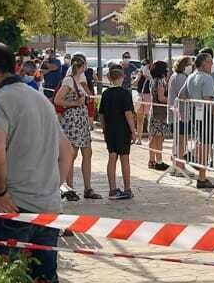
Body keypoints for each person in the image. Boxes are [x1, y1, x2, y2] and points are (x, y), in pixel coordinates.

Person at [0, 42, 70, 283]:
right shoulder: (41, 99)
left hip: (16, 208)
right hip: (49, 208)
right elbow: (67, 152)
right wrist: (52, 189)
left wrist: (0, 192)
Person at [55, 53, 98, 199]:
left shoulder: (79, 80)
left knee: (87, 153)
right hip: (72, 122)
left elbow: (88, 96)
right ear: (81, 67)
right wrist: (74, 103)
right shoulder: (68, 81)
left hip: (81, 121)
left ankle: (87, 188)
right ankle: (69, 188)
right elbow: (58, 100)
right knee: (71, 155)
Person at [97, 63, 139, 200]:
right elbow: (128, 114)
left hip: (110, 129)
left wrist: (104, 130)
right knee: (125, 159)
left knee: (112, 157)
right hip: (123, 130)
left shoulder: (105, 94)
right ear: (122, 77)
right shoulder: (125, 94)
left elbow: (101, 115)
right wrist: (133, 131)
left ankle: (112, 189)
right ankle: (127, 188)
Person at [182, 50, 214, 191]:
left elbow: (182, 95)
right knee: (206, 143)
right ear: (205, 63)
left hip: (195, 112)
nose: (212, 64)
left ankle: (201, 174)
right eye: (210, 61)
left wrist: (193, 103)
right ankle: (199, 171)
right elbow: (208, 100)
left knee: (202, 141)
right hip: (206, 113)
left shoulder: (191, 77)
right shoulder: (207, 78)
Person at [143, 59, 171, 170]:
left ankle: (152, 160)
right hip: (160, 112)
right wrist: (172, 100)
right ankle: (159, 161)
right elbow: (161, 98)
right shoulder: (160, 81)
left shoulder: (153, 80)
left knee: (153, 138)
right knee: (159, 138)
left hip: (154, 111)